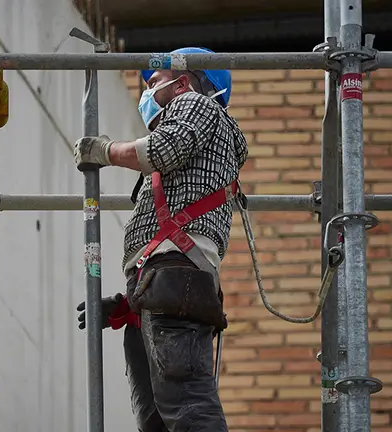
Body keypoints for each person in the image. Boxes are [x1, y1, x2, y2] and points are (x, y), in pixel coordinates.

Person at [73, 47, 249, 432]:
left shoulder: (197, 106)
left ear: (182, 82)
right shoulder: (201, 141)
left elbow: (161, 150)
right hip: (163, 282)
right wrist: (130, 303)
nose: (147, 92)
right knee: (157, 420)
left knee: (188, 408)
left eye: (154, 83)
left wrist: (104, 151)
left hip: (175, 273)